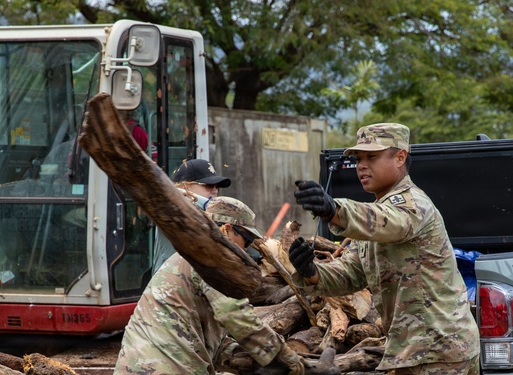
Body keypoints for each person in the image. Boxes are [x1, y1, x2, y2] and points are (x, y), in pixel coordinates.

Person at [289, 123, 480, 375]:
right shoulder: (378, 213)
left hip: (439, 351)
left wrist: (334, 210)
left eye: (372, 157)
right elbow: (352, 273)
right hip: (416, 352)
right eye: (358, 159)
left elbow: (392, 221)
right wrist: (311, 271)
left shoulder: (412, 203)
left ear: (400, 157)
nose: (361, 166)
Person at [114, 196, 306, 375]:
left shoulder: (192, 255)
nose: (246, 248)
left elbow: (209, 338)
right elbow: (236, 316)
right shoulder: (212, 259)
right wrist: (286, 356)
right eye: (246, 240)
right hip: (163, 367)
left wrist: (245, 358)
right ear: (228, 230)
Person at [151, 159, 231, 273]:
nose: (215, 191)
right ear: (185, 186)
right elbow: (169, 197)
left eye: (217, 186)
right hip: (169, 286)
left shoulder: (208, 212)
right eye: (209, 185)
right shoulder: (172, 205)